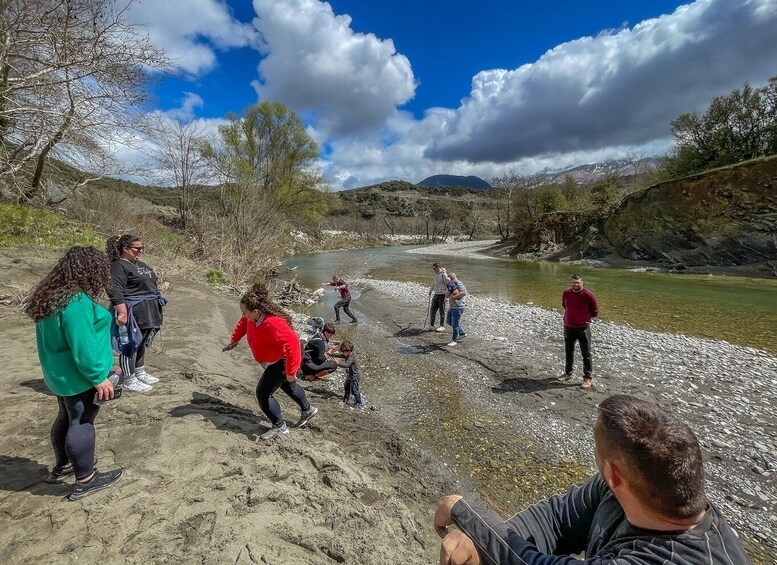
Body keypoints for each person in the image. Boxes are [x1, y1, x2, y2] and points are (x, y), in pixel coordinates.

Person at [434, 394, 749, 565]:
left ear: (612, 473)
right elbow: (557, 518)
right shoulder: (629, 488)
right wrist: (483, 541)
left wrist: (469, 515)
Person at [27, 246, 124, 501]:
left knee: (66, 416)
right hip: (78, 375)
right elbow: (82, 345)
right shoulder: (76, 302)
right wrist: (98, 376)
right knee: (81, 422)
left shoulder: (50, 296)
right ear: (89, 271)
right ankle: (86, 479)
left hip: (58, 374)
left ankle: (65, 465)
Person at [222, 283, 318, 440]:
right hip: (271, 361)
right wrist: (234, 339)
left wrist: (291, 371)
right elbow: (243, 324)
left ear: (256, 311)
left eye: (245, 312)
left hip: (281, 362)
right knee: (288, 386)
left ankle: (280, 426)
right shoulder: (251, 318)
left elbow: (293, 343)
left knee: (263, 393)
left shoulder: (273, 323)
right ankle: (307, 410)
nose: (243, 315)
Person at [106, 235, 167, 393]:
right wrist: (121, 312)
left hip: (148, 310)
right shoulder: (119, 266)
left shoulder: (139, 264)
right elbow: (114, 289)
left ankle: (139, 372)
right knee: (130, 345)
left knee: (142, 342)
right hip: (132, 311)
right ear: (125, 249)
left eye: (142, 248)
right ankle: (129, 379)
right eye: (137, 248)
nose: (141, 251)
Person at [559, 274, 598, 389]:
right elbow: (564, 305)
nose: (576, 285)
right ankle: (568, 373)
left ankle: (587, 378)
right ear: (570, 283)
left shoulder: (588, 294)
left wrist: (584, 318)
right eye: (573, 283)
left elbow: (594, 310)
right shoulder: (566, 293)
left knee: (586, 354)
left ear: (582, 282)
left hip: (583, 328)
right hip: (568, 326)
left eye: (578, 282)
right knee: (568, 351)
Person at [333, 341, 364, 410]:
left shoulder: (351, 357)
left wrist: (338, 363)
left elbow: (346, 365)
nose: (343, 353)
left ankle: (359, 402)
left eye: (344, 352)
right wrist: (332, 354)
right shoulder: (347, 354)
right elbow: (340, 355)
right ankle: (346, 397)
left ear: (349, 351)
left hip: (355, 376)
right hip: (350, 375)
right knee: (346, 386)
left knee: (354, 390)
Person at [445, 273, 467, 347]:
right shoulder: (451, 284)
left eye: (450, 278)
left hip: (458, 307)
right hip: (452, 306)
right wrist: (446, 297)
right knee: (449, 321)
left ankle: (454, 340)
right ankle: (462, 333)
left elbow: (464, 293)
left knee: (455, 324)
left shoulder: (459, 283)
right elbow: (449, 291)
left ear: (453, 277)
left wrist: (454, 297)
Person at [428, 262, 450, 332]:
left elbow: (447, 285)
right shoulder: (435, 274)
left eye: (434, 268)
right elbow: (434, 283)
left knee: (442, 311)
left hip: (442, 294)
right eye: (433, 268)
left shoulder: (444, 274)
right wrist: (431, 290)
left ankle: (442, 326)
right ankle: (432, 325)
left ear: (438, 267)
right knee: (433, 310)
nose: (433, 269)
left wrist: (446, 297)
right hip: (436, 294)